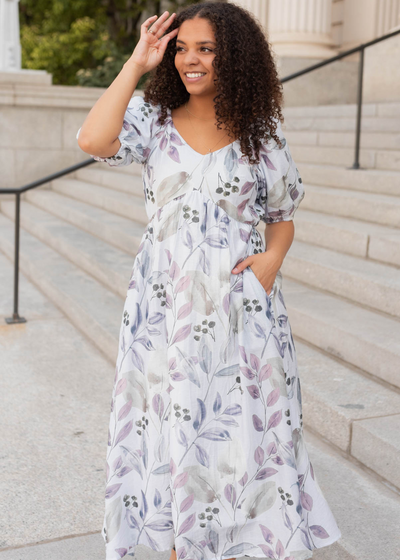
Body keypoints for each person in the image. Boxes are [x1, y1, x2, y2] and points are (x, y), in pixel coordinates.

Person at [77, 2, 342, 560]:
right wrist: (136, 63)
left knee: (243, 430)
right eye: (181, 49)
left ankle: (247, 541)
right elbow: (93, 141)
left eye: (205, 49)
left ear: (235, 58)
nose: (189, 60)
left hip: (239, 310)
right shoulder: (153, 123)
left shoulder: (259, 136)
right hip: (164, 305)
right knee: (169, 420)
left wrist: (273, 261)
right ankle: (181, 543)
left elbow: (283, 214)